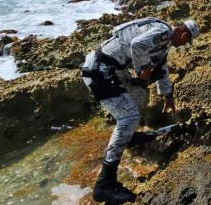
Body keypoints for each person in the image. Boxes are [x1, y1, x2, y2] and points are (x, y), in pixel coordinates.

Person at [81, 17, 199, 203]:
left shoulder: (164, 41)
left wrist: (167, 96)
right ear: (184, 35)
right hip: (99, 70)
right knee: (128, 118)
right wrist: (144, 71)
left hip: (113, 70)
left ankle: (128, 137)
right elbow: (137, 45)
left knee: (139, 93)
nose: (183, 45)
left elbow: (161, 68)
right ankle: (104, 183)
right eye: (186, 42)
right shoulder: (163, 32)